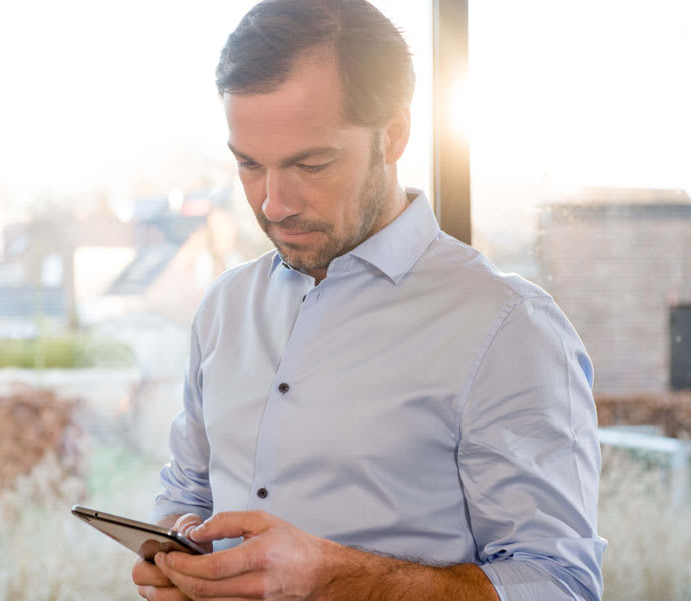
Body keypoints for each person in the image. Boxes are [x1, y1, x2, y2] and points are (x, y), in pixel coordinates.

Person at [132, 0, 606, 599]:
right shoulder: (226, 305)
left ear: (394, 135)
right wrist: (176, 552)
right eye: (249, 165)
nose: (274, 203)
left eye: (311, 163)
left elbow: (558, 585)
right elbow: (189, 492)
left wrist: (334, 577)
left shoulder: (509, 327)